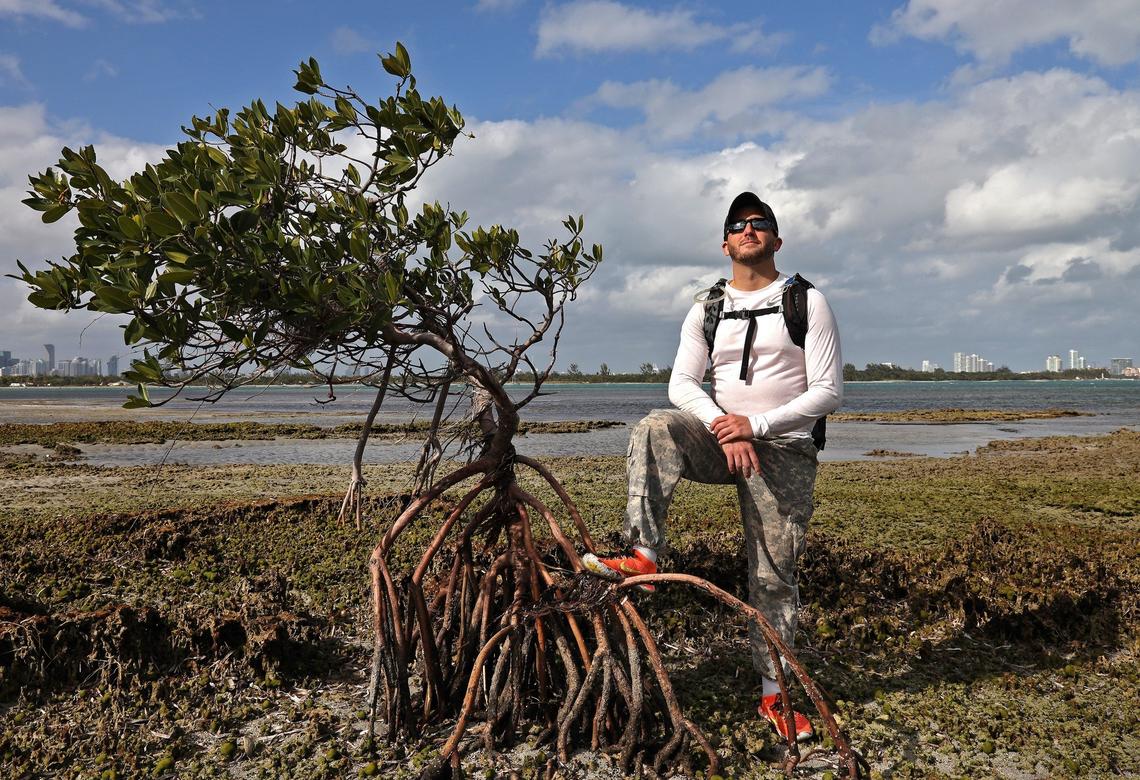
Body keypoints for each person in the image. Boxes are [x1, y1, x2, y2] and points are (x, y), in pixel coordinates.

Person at [583, 192, 843, 742]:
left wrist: (758, 427)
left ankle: (775, 696)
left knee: (773, 574)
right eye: (738, 225)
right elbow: (681, 384)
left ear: (776, 238)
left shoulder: (807, 300)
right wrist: (727, 425)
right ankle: (644, 556)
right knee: (656, 426)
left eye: (760, 223)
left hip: (785, 449)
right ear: (724, 242)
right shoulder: (707, 306)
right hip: (724, 438)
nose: (749, 230)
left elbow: (828, 391)